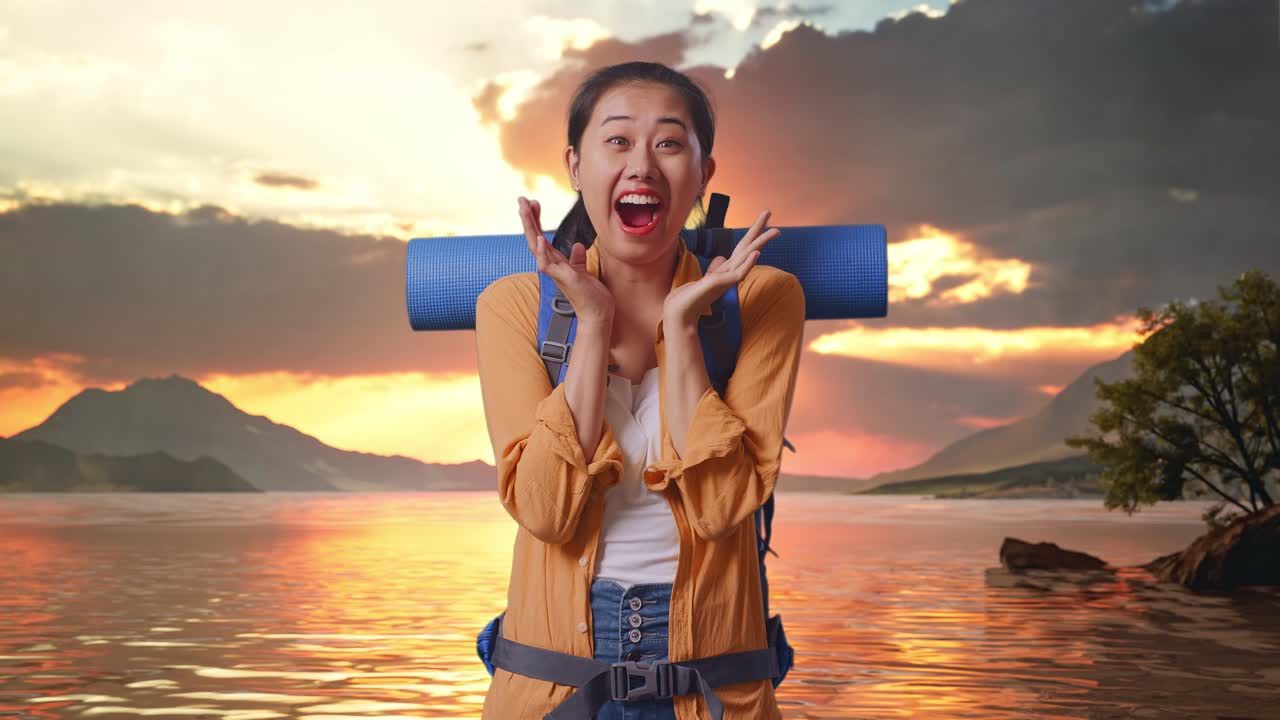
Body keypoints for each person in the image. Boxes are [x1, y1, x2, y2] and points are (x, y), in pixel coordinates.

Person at [475, 61, 805, 720]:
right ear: (575, 165)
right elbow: (545, 511)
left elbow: (720, 506)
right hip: (551, 693)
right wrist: (591, 325)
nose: (643, 166)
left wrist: (682, 329)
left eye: (670, 143)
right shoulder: (512, 307)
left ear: (704, 173)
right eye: (619, 141)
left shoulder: (764, 299)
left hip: (715, 692)